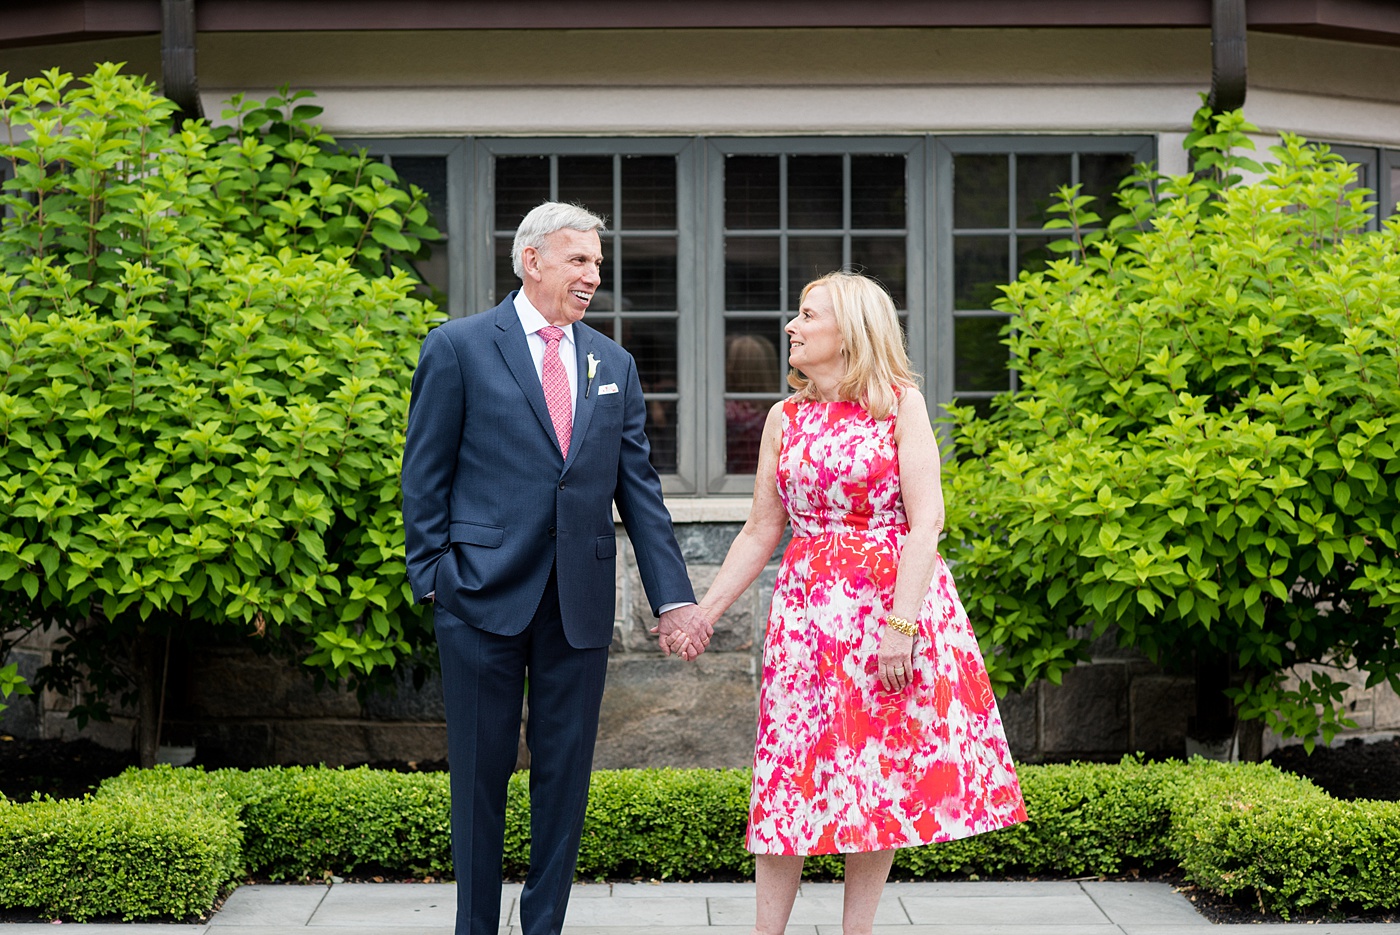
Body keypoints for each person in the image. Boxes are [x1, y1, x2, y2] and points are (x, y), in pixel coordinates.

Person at [401, 202, 711, 935]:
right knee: (478, 779)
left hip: (577, 602)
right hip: (478, 597)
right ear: (531, 259)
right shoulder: (459, 347)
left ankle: (544, 924)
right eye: (578, 260)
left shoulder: (615, 363)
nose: (593, 276)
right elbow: (424, 476)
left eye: (597, 264)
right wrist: (435, 575)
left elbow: (640, 490)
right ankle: (475, 925)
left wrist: (672, 598)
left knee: (565, 779)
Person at [696, 271, 1027, 935]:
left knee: (874, 776)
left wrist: (901, 626)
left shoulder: (899, 405)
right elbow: (763, 527)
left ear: (848, 330)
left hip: (886, 613)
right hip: (807, 621)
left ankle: (859, 931)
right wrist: (705, 611)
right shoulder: (783, 418)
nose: (791, 325)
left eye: (807, 314)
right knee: (788, 771)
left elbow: (926, 520)